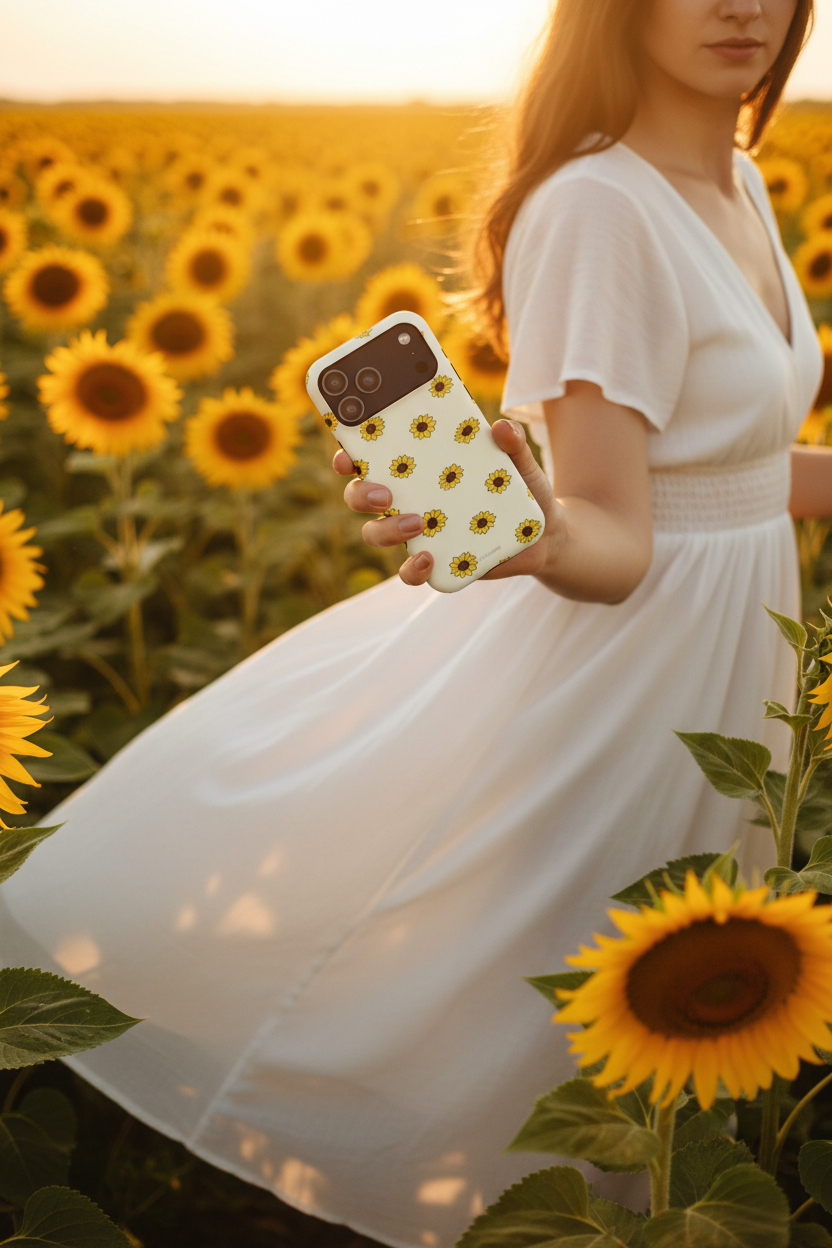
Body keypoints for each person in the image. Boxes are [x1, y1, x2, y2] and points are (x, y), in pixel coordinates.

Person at [0, 0, 826, 1244]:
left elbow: (738, 468)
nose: (739, 5)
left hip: (727, 644)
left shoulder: (738, 182)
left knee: (652, 1005)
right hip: (633, 666)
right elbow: (611, 537)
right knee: (540, 1010)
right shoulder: (600, 206)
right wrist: (540, 532)